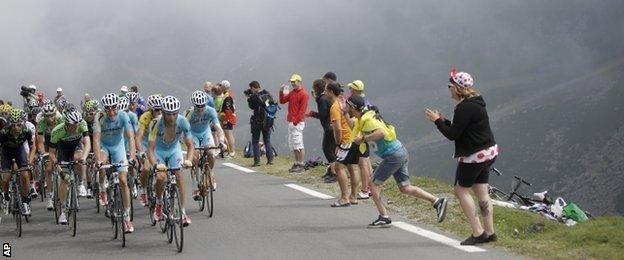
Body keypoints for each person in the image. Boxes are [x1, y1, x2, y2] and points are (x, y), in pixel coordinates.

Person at [347, 95, 448, 227]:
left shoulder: (367, 119)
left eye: (348, 106)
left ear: (353, 108)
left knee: (373, 184)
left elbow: (381, 133)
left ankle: (384, 216)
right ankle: (437, 201)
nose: (346, 107)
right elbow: (354, 125)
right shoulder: (364, 117)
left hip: (393, 155)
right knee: (405, 188)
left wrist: (364, 139)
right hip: (400, 151)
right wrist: (345, 114)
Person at [425, 70, 498, 245]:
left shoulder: (464, 107)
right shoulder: (476, 103)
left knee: (460, 191)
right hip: (489, 151)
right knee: (481, 191)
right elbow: (462, 128)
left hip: (474, 156)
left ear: (457, 88)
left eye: (450, 86)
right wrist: (444, 120)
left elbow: (453, 135)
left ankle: (478, 232)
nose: (448, 89)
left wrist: (437, 121)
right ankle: (490, 231)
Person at [93, 93, 136, 233]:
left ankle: (127, 218)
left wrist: (133, 157)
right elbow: (96, 140)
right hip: (104, 146)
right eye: (108, 109)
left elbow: (130, 137)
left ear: (118, 107)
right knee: (103, 164)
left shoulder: (123, 116)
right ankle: (102, 188)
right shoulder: (99, 117)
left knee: (123, 181)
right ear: (104, 109)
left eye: (114, 108)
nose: (111, 112)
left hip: (118, 146)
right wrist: (98, 160)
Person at [148, 96, 194, 226]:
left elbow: (190, 145)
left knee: (179, 176)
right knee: (161, 177)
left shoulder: (183, 121)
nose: (172, 117)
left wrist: (189, 160)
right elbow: (150, 149)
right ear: (162, 112)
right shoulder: (155, 123)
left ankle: (183, 212)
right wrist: (156, 165)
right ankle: (158, 203)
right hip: (159, 151)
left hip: (174, 150)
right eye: (168, 114)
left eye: (175, 113)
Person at [49, 109, 91, 224]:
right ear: (67, 124)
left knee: (79, 159)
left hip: (77, 148)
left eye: (77, 124)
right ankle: (63, 210)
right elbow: (52, 153)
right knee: (64, 180)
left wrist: (84, 158)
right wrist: (56, 163)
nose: (76, 127)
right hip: (63, 151)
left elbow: (87, 143)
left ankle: (81, 183)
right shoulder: (57, 131)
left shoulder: (82, 124)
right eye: (73, 125)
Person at [326, 83, 360, 207]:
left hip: (345, 140)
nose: (325, 93)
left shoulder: (334, 107)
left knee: (339, 167)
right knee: (353, 167)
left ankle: (344, 198)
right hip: (354, 137)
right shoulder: (344, 101)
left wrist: (338, 143)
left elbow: (338, 129)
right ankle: (353, 197)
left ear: (330, 92)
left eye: (326, 91)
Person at [186, 90, 226, 198]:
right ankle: (196, 185)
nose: (200, 108)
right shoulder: (189, 112)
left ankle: (210, 174)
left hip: (205, 133)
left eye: (202, 105)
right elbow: (184, 129)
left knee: (210, 153)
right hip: (192, 134)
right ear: (194, 105)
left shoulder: (211, 111)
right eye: (198, 106)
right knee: (195, 158)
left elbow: (218, 127)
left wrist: (221, 141)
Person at [0, 109, 36, 216]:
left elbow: (33, 147)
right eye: (14, 125)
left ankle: (25, 202)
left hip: (19, 152)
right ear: (10, 124)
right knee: (6, 179)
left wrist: (30, 161)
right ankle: (6, 197)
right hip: (6, 153)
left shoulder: (26, 132)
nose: (16, 128)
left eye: (19, 125)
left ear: (23, 123)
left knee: (25, 176)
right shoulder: (4, 132)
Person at [307, 77, 337, 183]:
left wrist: (312, 114)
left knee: (327, 150)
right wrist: (315, 97)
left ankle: (334, 173)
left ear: (316, 88)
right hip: (332, 127)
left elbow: (323, 114)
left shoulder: (322, 100)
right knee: (332, 150)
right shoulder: (324, 98)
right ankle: (332, 171)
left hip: (329, 128)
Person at [36, 101, 66, 209]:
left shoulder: (60, 118)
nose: (50, 118)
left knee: (63, 165)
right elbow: (40, 142)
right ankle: (50, 196)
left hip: (60, 140)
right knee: (48, 168)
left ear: (55, 113)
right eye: (47, 116)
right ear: (44, 116)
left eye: (52, 115)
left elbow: (65, 137)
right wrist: (44, 154)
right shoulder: (41, 122)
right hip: (49, 141)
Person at [347, 80, 373, 200]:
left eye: (351, 89)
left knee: (362, 163)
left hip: (360, 135)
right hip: (365, 133)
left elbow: (354, 122)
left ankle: (365, 190)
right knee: (366, 161)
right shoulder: (366, 100)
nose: (350, 91)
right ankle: (370, 187)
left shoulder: (358, 102)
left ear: (356, 90)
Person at [279, 74, 309, 173]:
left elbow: (302, 110)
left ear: (299, 81)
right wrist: (281, 91)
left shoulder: (304, 94)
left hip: (297, 123)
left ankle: (301, 164)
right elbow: (282, 101)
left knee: (298, 144)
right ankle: (296, 163)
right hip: (291, 122)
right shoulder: (292, 93)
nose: (292, 84)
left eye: (294, 82)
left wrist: (296, 121)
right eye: (291, 82)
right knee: (293, 144)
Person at [136, 94, 162, 206]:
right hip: (145, 144)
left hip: (158, 145)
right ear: (151, 109)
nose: (159, 112)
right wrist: (141, 151)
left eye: (161, 109)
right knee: (146, 168)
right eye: (156, 110)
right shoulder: (145, 117)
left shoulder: (164, 115)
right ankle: (143, 191)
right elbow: (138, 137)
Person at [246, 81, 276, 166]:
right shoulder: (266, 94)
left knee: (255, 141)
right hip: (268, 121)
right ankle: (270, 160)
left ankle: (257, 161)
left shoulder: (253, 97)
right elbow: (271, 104)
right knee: (267, 141)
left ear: (252, 88)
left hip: (257, 122)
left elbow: (251, 106)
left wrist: (249, 98)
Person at [219, 80, 237, 158]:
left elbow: (228, 109)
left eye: (221, 86)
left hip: (228, 118)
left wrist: (225, 119)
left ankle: (232, 152)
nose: (220, 87)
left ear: (224, 87)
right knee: (227, 135)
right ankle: (230, 151)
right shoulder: (226, 94)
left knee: (229, 135)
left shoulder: (228, 96)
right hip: (227, 117)